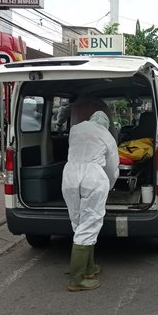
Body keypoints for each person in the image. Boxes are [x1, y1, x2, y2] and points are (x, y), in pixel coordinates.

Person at [62, 97, 119, 292]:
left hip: (69, 176)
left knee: (78, 222)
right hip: (93, 177)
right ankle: (77, 279)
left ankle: (88, 268)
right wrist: (110, 184)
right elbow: (112, 166)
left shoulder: (76, 129)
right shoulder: (106, 135)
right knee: (91, 223)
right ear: (106, 123)